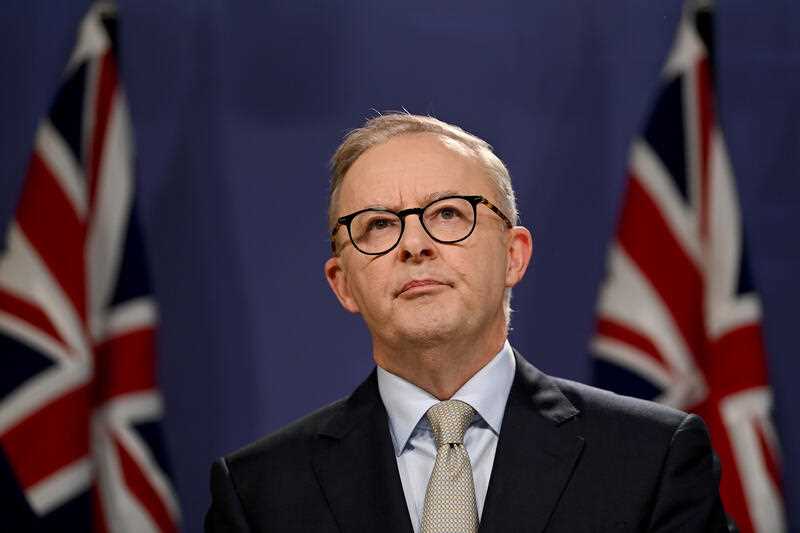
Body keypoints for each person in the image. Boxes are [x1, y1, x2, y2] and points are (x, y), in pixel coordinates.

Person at [205, 113, 729, 532]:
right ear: (342, 283)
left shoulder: (650, 458)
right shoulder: (259, 493)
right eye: (379, 224)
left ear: (513, 255)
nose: (414, 244)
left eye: (449, 214)